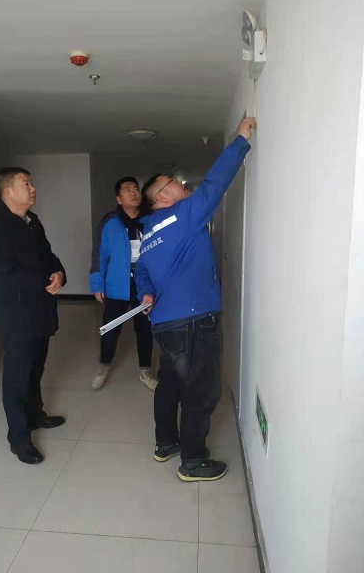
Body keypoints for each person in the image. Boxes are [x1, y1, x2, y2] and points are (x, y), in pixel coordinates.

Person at [135, 117, 256, 482]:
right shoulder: (182, 215)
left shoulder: (148, 233)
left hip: (165, 324)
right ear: (162, 197)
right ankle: (193, 461)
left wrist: (145, 292)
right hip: (193, 321)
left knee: (171, 383)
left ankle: (165, 443)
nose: (181, 183)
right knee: (200, 391)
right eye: (173, 182)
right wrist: (241, 139)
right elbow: (215, 183)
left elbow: (142, 272)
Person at [0, 167, 66, 465]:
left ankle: (35, 414)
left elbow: (48, 255)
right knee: (17, 375)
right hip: (18, 313)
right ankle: (18, 438)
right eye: (25, 184)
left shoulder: (32, 221)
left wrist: (58, 272)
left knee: (36, 367)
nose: (32, 188)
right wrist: (45, 280)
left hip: (40, 308)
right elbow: (6, 271)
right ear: (8, 192)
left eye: (32, 183)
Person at [90, 177, 158, 391]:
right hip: (116, 285)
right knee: (110, 329)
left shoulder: (151, 220)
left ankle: (145, 370)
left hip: (144, 284)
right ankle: (104, 365)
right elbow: (99, 255)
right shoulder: (110, 223)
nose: (133, 192)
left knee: (145, 329)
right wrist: (97, 284)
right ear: (119, 199)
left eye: (136, 188)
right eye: (127, 189)